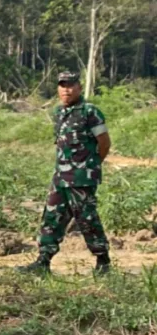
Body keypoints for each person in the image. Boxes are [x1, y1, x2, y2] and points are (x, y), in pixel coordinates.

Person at [18, 71, 111, 275]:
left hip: (81, 178)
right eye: (62, 85)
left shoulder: (90, 112)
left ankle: (103, 261)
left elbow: (104, 143)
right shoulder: (59, 113)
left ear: (79, 87)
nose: (66, 89)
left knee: (87, 219)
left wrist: (90, 167)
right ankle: (43, 262)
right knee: (52, 217)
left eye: (70, 85)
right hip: (60, 177)